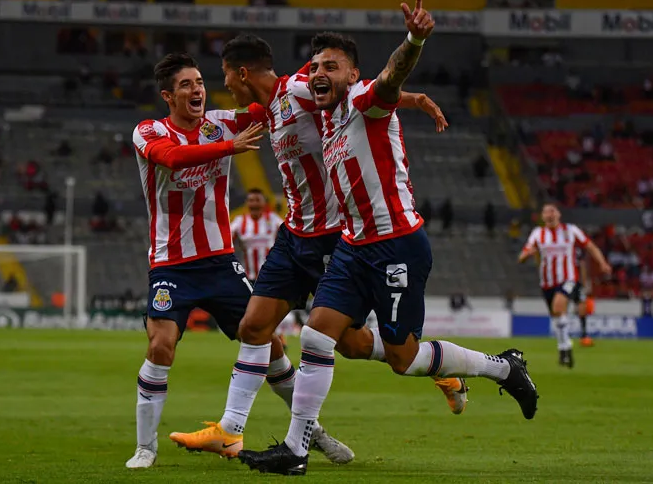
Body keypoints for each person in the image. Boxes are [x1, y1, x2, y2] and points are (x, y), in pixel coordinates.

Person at [238, 0, 539, 476]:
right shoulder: (329, 119)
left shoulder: (361, 102)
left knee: (404, 358)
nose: (319, 74)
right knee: (316, 336)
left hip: (397, 245)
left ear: (352, 75)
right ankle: (295, 452)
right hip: (355, 246)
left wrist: (413, 42)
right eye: (314, 67)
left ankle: (502, 367)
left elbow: (390, 78)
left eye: (331, 66)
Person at [169, 32, 459, 464]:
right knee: (253, 327)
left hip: (332, 236)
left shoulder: (302, 90)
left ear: (242, 73)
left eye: (227, 75)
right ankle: (230, 431)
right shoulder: (263, 110)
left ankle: (436, 367)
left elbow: (358, 92)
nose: (225, 83)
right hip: (293, 235)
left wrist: (407, 97)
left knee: (353, 345)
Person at [124, 53, 270, 469]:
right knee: (160, 345)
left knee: (270, 341)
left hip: (221, 261)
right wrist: (229, 147)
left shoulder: (220, 122)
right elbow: (171, 159)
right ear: (168, 95)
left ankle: (309, 431)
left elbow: (269, 109)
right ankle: (145, 447)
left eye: (201, 81)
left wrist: (262, 83)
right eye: (186, 84)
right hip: (171, 265)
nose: (198, 89)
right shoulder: (148, 131)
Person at [519, 203, 611, 368]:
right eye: (546, 211)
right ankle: (565, 347)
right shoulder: (538, 233)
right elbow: (522, 256)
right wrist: (527, 255)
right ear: (542, 217)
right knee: (556, 315)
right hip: (547, 282)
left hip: (568, 278)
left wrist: (602, 263)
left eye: (552, 211)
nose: (550, 214)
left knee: (559, 306)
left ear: (558, 214)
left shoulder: (571, 230)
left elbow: (590, 246)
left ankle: (565, 348)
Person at [230, 189, 282, 284]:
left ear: (264, 203)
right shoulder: (240, 221)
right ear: (247, 203)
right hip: (249, 278)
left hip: (271, 275)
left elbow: (289, 235)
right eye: (251, 200)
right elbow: (225, 241)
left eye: (257, 200)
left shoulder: (273, 219)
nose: (254, 204)